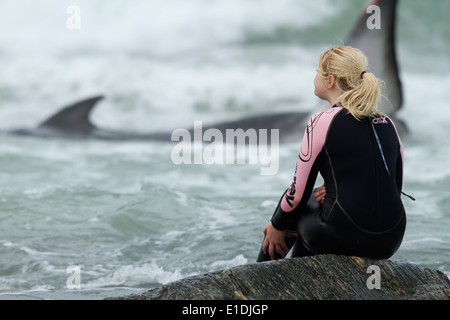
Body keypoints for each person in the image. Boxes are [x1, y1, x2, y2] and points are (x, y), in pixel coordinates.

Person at [257, 46, 407, 261]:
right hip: (390, 239)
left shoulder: (323, 120)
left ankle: (264, 278)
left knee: (298, 206)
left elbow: (297, 194)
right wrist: (340, 190)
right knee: (317, 203)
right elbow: (393, 187)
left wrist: (276, 225)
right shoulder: (388, 122)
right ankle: (303, 274)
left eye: (317, 72)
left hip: (343, 236)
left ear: (330, 81)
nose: (314, 77)